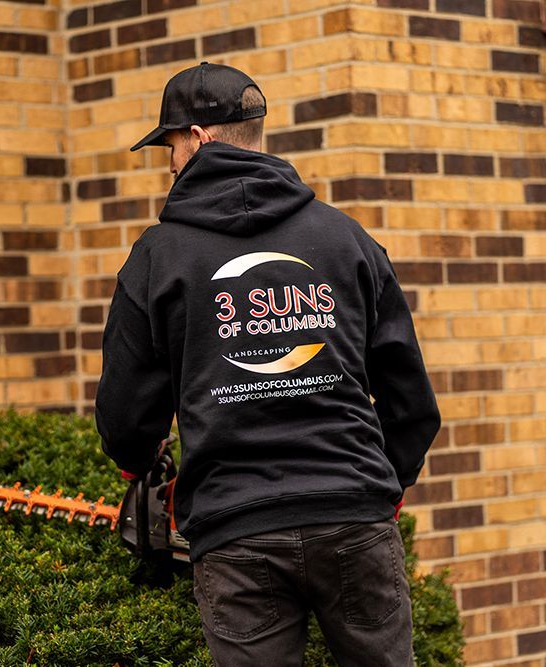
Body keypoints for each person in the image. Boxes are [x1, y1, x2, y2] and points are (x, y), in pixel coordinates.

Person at [95, 62, 440, 666]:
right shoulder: (346, 239)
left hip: (237, 535)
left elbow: (127, 416)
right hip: (353, 516)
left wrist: (140, 466)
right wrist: (385, 483)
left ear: (198, 138)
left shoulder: (157, 257)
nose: (169, 164)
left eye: (169, 147)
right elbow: (411, 399)